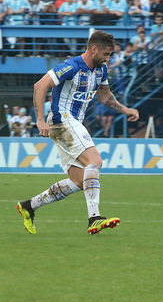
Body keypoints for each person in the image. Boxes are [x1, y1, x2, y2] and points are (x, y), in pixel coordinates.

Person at [16, 31, 139, 235]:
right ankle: (94, 218)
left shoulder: (101, 69)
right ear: (93, 49)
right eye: (106, 54)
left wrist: (125, 110)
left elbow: (104, 95)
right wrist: (38, 119)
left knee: (80, 181)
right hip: (62, 119)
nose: (108, 59)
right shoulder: (71, 66)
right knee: (95, 162)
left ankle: (29, 206)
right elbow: (40, 86)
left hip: (71, 124)